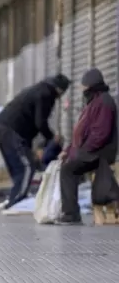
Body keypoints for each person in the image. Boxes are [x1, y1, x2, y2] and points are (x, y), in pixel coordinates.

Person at [0, 74, 71, 210]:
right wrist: (52, 138)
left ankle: (15, 198)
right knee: (27, 167)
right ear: (60, 89)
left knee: (19, 168)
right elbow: (40, 122)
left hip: (3, 128)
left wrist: (36, 147)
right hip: (10, 130)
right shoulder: (46, 94)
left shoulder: (39, 90)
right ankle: (16, 203)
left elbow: (31, 123)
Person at [56, 68, 118, 225]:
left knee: (68, 169)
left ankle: (71, 215)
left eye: (83, 86)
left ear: (90, 85)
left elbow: (100, 134)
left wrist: (79, 153)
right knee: (67, 165)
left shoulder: (103, 102)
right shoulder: (93, 102)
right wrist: (68, 151)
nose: (81, 89)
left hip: (100, 152)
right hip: (91, 151)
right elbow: (80, 134)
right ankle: (70, 213)